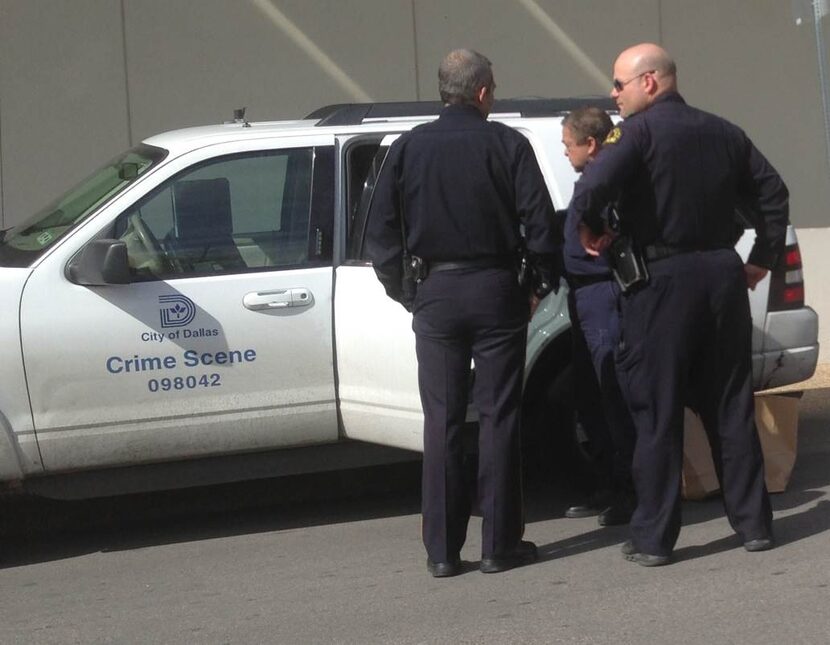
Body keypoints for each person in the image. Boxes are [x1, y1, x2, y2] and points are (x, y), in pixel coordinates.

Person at [570, 43, 788, 566]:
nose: (612, 94)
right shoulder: (724, 131)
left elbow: (593, 183)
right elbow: (773, 193)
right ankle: (754, 525)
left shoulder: (636, 133)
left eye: (619, 84)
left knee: (657, 411)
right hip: (719, 275)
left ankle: (654, 539)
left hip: (661, 283)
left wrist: (590, 228)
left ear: (650, 82)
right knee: (731, 404)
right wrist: (761, 256)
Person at [365, 49, 559, 577]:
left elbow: (380, 235)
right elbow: (541, 227)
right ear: (481, 93)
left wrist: (408, 291)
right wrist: (537, 283)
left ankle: (443, 552)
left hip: (437, 291)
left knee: (443, 420)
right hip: (497, 288)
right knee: (499, 416)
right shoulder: (508, 146)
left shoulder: (407, 148)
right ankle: (499, 544)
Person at [558, 107, 636, 526]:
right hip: (583, 297)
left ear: (590, 144)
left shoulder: (609, 184)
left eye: (568, 144)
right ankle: (609, 481)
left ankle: (630, 491)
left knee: (614, 394)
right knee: (589, 394)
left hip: (603, 294)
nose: (565, 152)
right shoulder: (591, 182)